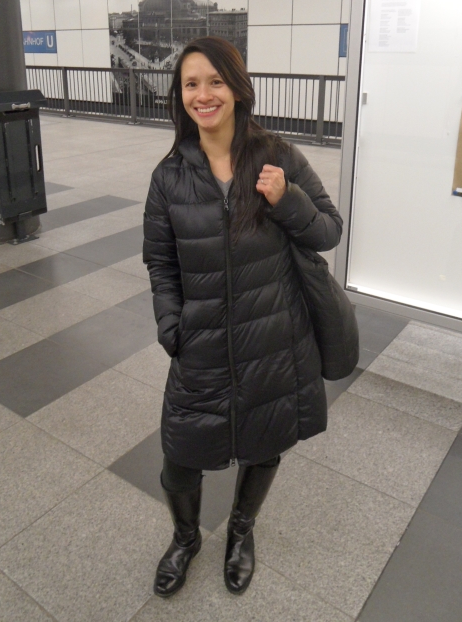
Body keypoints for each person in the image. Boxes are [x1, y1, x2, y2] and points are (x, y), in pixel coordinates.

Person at [143, 36, 343, 598]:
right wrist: (171, 326)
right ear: (180, 95)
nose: (203, 95)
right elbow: (160, 260)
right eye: (191, 84)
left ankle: (240, 531)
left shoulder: (278, 156)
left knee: (264, 444)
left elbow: (328, 230)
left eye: (215, 81)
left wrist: (288, 200)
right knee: (180, 457)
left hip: (271, 337)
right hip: (201, 343)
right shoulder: (169, 176)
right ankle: (185, 538)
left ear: (236, 88)